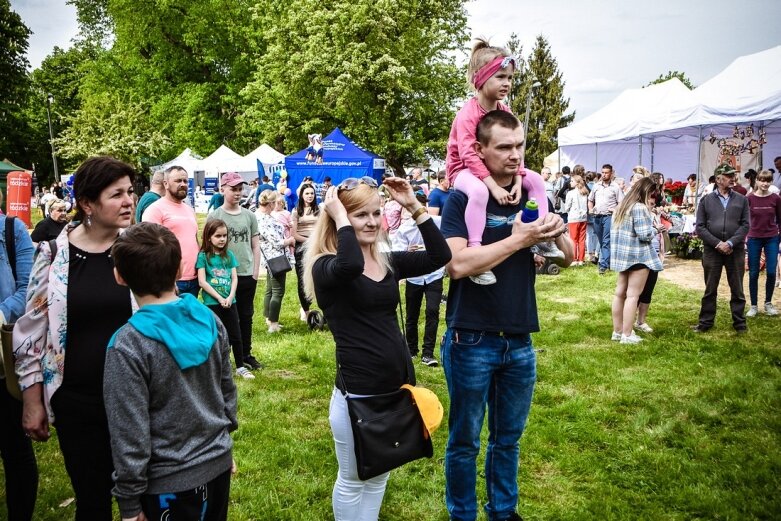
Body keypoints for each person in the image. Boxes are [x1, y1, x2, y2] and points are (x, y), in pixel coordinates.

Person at [441, 110, 572, 521]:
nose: (514, 155)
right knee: (465, 441)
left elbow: (568, 259)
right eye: (504, 147)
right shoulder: (461, 198)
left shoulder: (535, 192)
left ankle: (503, 511)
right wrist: (518, 241)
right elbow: (458, 265)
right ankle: (461, 514)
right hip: (470, 338)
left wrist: (555, 233)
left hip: (519, 338)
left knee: (508, 439)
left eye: (519, 146)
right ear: (479, 149)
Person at [303, 175, 450, 521]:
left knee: (380, 474)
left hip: (394, 392)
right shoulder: (326, 266)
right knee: (354, 480)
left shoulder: (386, 262)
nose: (370, 222)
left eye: (375, 213)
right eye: (360, 215)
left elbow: (439, 255)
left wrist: (414, 206)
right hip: (358, 397)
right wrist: (338, 216)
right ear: (340, 218)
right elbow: (350, 264)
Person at [15, 156, 136, 520]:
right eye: (116, 194)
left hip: (137, 399)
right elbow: (31, 333)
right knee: (93, 500)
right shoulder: (52, 255)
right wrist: (32, 400)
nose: (129, 200)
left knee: (145, 499)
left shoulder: (140, 247)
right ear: (87, 204)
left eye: (130, 192)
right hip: (78, 402)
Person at [105, 222, 238, 521]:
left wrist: (128, 502)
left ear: (119, 276)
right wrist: (223, 443)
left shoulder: (127, 345)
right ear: (180, 270)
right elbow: (227, 390)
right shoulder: (211, 321)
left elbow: (129, 433)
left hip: (167, 483)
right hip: (217, 465)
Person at [445, 38, 548, 286]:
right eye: (500, 77)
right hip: (462, 170)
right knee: (479, 192)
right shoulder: (468, 114)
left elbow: (516, 144)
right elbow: (469, 155)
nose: (507, 83)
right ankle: (476, 250)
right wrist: (493, 186)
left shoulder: (505, 110)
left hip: (488, 171)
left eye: (510, 78)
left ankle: (543, 235)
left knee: (536, 180)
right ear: (481, 78)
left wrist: (519, 177)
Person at [1, 194, 38, 521]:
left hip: (2, 363)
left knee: (15, 449)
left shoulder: (12, 230)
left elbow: (28, 287)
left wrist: (0, 312)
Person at [207, 173, 262, 370]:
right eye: (233, 189)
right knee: (226, 316)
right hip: (223, 277)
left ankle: (246, 353)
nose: (238, 193)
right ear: (223, 189)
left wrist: (255, 272)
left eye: (240, 189)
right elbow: (208, 247)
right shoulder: (215, 216)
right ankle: (226, 355)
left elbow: (255, 245)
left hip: (246, 273)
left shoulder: (249, 215)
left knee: (246, 315)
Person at [692, 164, 750, 334]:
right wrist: (718, 244)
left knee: (737, 288)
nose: (732, 178)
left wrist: (730, 243)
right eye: (728, 176)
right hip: (712, 251)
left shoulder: (742, 199)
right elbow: (700, 227)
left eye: (733, 175)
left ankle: (740, 324)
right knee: (710, 288)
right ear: (718, 179)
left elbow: (746, 225)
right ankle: (705, 323)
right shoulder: (706, 200)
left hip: (735, 250)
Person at [392, 190, 445, 366]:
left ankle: (428, 353)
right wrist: (408, 253)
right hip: (414, 277)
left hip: (434, 275)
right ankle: (411, 350)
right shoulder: (404, 228)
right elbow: (397, 254)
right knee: (411, 314)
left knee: (432, 311)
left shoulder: (437, 222)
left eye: (423, 204)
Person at [609, 178, 664, 344]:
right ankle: (627, 334)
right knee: (633, 296)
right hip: (638, 256)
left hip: (622, 255)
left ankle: (617, 332)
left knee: (619, 294)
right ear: (645, 191)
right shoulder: (640, 208)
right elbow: (644, 234)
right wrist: (655, 229)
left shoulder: (621, 206)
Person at [197, 219, 254, 379]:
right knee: (214, 337)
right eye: (218, 236)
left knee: (235, 335)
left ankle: (240, 366)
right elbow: (202, 281)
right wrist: (219, 298)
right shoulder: (203, 257)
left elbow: (234, 278)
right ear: (209, 237)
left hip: (230, 303)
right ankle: (217, 366)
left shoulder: (229, 255)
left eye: (225, 236)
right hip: (212, 304)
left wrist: (229, 297)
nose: (222, 239)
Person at [143, 165, 200, 297]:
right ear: (166, 184)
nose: (183, 184)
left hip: (194, 279)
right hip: (170, 280)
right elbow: (149, 248)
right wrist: (166, 278)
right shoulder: (155, 210)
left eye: (185, 181)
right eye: (178, 181)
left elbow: (194, 239)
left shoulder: (189, 210)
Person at [256, 190, 295, 333]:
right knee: (278, 291)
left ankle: (268, 317)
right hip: (275, 258)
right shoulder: (263, 218)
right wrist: (289, 240)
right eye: (275, 202)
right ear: (271, 203)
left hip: (270, 258)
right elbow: (276, 242)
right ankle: (273, 323)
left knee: (270, 290)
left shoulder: (262, 216)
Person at [745, 170, 781, 317]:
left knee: (771, 272)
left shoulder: (776, 199)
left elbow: (780, 219)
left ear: (771, 182)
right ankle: (753, 305)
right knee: (753, 273)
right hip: (754, 238)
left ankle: (768, 303)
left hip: (772, 238)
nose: (765, 183)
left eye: (768, 180)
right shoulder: (749, 199)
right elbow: (744, 220)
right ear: (757, 181)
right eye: (762, 180)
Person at [291, 183, 320, 321]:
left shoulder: (319, 210)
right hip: (302, 246)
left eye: (312, 193)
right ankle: (306, 310)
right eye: (307, 193)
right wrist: (309, 242)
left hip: (317, 246)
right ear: (302, 195)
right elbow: (294, 234)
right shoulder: (296, 211)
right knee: (302, 280)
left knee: (318, 277)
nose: (310, 196)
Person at [588, 163, 624, 274]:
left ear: (611, 173)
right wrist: (590, 209)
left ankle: (602, 266)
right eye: (602, 172)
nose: (604, 175)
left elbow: (621, 202)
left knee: (606, 241)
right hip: (597, 216)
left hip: (608, 216)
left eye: (606, 173)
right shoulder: (596, 186)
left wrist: (615, 209)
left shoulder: (615, 187)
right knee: (601, 240)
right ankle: (609, 262)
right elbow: (590, 200)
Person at [563, 174, 589, 265]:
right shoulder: (584, 192)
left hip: (574, 218)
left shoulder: (571, 193)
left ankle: (574, 259)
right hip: (583, 218)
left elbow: (567, 207)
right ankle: (581, 259)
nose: (570, 182)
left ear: (577, 182)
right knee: (582, 239)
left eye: (572, 181)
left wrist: (568, 209)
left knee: (573, 239)